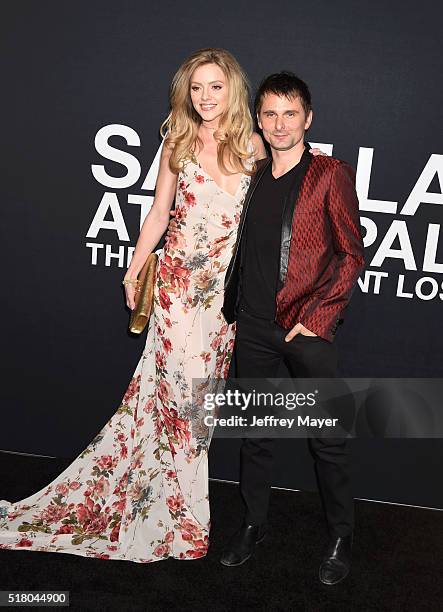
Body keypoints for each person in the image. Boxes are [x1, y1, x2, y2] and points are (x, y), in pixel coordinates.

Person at [0, 48, 267, 563]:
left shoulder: (252, 147)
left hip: (222, 303)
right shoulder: (179, 141)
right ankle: (187, 524)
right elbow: (158, 213)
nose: (205, 97)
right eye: (196, 88)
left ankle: (166, 508)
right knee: (183, 403)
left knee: (196, 407)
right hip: (176, 294)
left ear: (232, 89)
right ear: (185, 94)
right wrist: (134, 267)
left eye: (215, 86)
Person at [220, 72, 365, 585]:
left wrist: (317, 318)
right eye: (270, 114)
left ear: (308, 118)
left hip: (307, 330)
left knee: (327, 439)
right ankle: (254, 524)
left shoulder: (329, 174)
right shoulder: (254, 174)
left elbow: (352, 253)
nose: (279, 124)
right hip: (254, 329)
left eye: (290, 113)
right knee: (255, 435)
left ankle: (341, 535)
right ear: (259, 120)